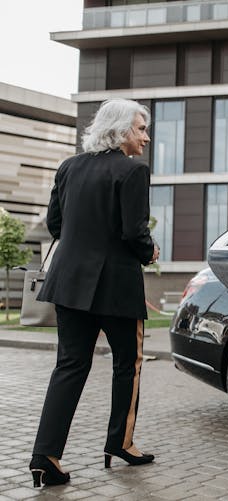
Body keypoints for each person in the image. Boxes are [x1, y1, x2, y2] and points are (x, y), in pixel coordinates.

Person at [29, 98, 159, 488]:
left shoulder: (69, 167)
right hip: (116, 286)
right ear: (119, 130)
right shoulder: (133, 172)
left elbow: (55, 224)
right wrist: (149, 251)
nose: (146, 137)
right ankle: (121, 442)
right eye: (140, 128)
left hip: (69, 283)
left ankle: (45, 457)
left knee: (69, 366)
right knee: (128, 364)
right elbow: (134, 232)